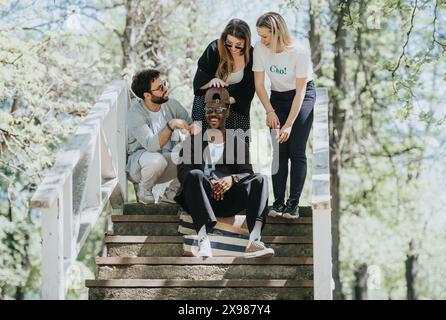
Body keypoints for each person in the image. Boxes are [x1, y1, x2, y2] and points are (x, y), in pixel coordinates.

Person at [175, 87, 274, 258]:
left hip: (227, 200)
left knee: (260, 179)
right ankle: (203, 239)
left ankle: (254, 241)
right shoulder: (192, 142)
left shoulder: (237, 143)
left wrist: (231, 180)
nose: (213, 114)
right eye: (209, 110)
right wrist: (208, 181)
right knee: (194, 175)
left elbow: (247, 173)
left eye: (219, 109)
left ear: (227, 112)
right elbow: (183, 172)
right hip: (200, 197)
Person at [253, 12, 316, 219]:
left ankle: (293, 205)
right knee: (279, 152)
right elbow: (260, 85)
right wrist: (269, 111)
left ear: (277, 32)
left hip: (302, 96)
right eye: (260, 36)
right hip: (277, 98)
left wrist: (289, 124)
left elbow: (300, 92)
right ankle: (278, 203)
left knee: (296, 150)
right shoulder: (260, 49)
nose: (262, 40)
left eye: (265, 36)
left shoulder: (299, 51)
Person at [127, 69, 199, 204]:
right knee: (157, 160)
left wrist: (193, 130)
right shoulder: (135, 114)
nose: (166, 88)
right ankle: (145, 190)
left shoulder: (172, 104)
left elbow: (190, 125)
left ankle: (171, 194)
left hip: (167, 161)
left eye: (164, 83)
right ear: (147, 95)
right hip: (142, 167)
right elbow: (151, 145)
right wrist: (171, 125)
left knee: (196, 149)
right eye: (160, 88)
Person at [192, 18, 255, 144]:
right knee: (203, 147)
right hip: (208, 103)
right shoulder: (214, 48)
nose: (233, 48)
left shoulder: (251, 54)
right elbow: (199, 80)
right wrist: (212, 81)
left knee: (236, 151)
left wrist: (227, 102)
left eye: (238, 45)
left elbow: (249, 87)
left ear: (246, 43)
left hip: (236, 105)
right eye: (229, 43)